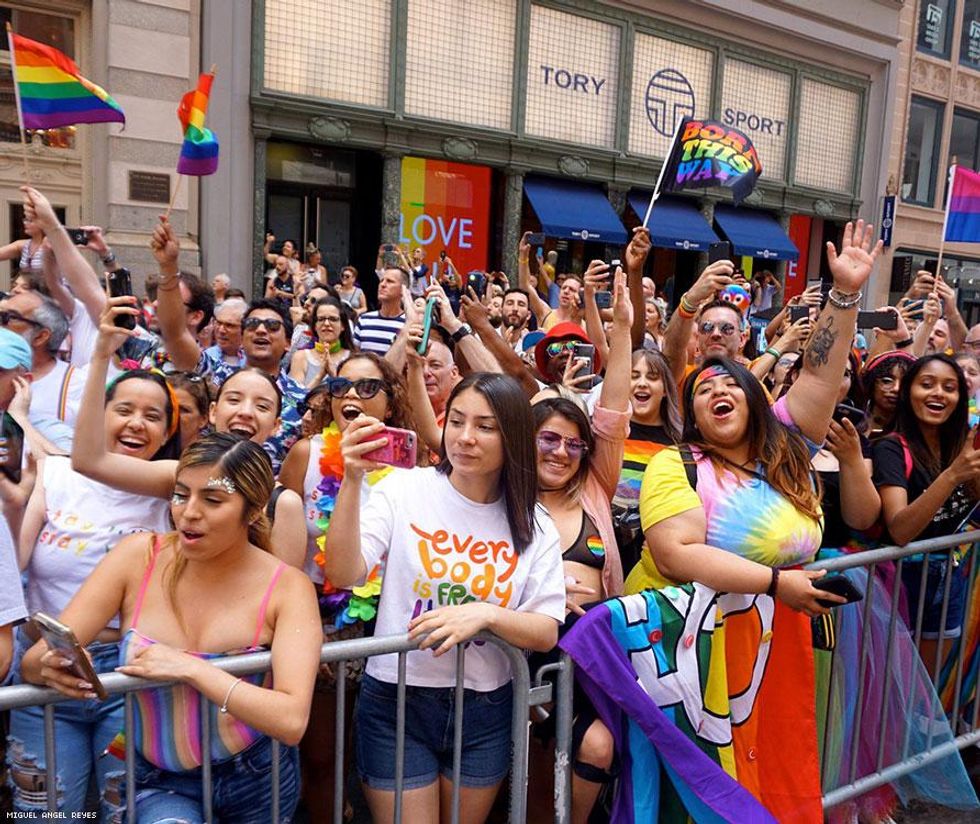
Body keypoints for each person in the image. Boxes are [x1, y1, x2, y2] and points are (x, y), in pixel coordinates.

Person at [622, 221, 876, 820]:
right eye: (703, 388)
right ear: (691, 413)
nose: (718, 391)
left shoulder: (786, 449)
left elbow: (818, 373)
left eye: (729, 384)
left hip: (782, 646)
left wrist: (843, 296)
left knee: (777, 778)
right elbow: (679, 554)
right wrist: (774, 584)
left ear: (757, 402)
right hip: (692, 658)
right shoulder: (675, 466)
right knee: (704, 795)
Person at [23, 433, 321, 823]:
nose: (189, 512)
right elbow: (34, 661)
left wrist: (192, 669)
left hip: (256, 775)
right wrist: (48, 669)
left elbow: (291, 720)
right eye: (181, 495)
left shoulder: (287, 587)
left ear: (252, 511)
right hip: (158, 777)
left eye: (212, 500)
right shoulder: (137, 556)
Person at [323, 372, 565, 823]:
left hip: (486, 707)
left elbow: (545, 629)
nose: (465, 438)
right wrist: (353, 482)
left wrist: (485, 615)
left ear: (511, 436)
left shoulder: (536, 522)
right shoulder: (402, 488)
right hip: (398, 700)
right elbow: (343, 571)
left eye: (485, 426)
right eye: (456, 421)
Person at [10, 367, 179, 819]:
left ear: (166, 433)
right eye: (123, 410)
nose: (136, 424)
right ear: (96, 416)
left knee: (121, 811)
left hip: (130, 679)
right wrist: (11, 505)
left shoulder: (176, 494)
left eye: (153, 416)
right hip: (44, 669)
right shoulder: (55, 476)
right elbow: (14, 563)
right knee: (45, 813)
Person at [72, 298, 308, 569]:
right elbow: (88, 460)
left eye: (262, 406)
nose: (245, 412)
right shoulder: (178, 474)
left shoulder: (282, 504)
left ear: (276, 425)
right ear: (212, 412)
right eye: (234, 400)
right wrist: (101, 356)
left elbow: (284, 592)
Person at [530, 268, 632, 821]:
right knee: (525, 761)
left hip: (593, 652)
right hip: (524, 652)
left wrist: (622, 330)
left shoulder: (596, 486)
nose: (561, 451)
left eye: (573, 443)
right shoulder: (507, 499)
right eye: (548, 438)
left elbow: (613, 414)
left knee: (597, 745)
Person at [872, 353, 980, 672]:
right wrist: (951, 476)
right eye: (927, 384)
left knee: (927, 691)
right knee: (896, 685)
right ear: (908, 393)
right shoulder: (890, 448)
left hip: (948, 583)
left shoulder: (962, 445)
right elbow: (901, 530)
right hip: (902, 584)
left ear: (961, 398)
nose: (938, 394)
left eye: (949, 387)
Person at [289, 296, 353, 388]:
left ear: (343, 325)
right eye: (321, 319)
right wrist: (319, 376)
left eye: (333, 319)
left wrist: (334, 376)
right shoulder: (300, 357)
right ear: (314, 326)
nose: (326, 324)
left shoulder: (352, 358)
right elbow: (295, 399)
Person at [353, 267, 407, 356]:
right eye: (381, 280)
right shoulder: (364, 320)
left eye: (389, 281)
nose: (383, 285)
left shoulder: (409, 324)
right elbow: (356, 355)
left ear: (403, 289)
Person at [861, 349, 915, 436]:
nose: (896, 389)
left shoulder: (915, 435)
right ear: (871, 383)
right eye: (887, 381)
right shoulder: (853, 421)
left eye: (905, 383)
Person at [167, 371, 211, 450]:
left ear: (203, 419)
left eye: (183, 410)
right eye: (168, 407)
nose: (174, 414)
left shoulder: (212, 459)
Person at [203, 297, 248, 367]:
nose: (221, 330)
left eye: (229, 325)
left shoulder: (254, 359)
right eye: (218, 323)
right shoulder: (204, 360)